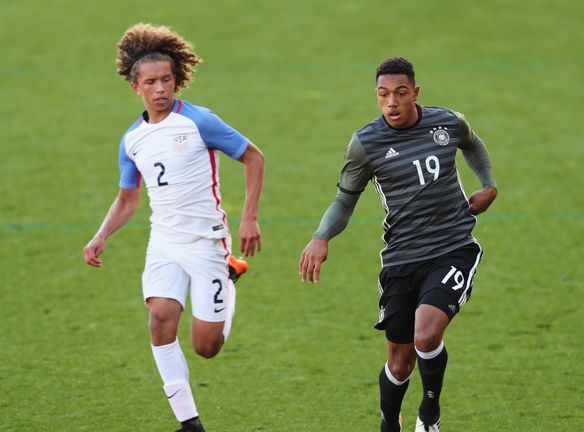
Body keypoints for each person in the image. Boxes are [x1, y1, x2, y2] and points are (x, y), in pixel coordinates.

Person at [82, 23, 265, 432]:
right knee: (160, 320)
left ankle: (229, 276)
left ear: (176, 78)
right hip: (164, 241)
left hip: (207, 243)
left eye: (167, 79)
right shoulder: (131, 140)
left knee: (206, 348)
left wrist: (249, 217)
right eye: (151, 82)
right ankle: (189, 423)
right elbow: (128, 199)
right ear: (136, 88)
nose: (160, 88)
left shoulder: (199, 121)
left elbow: (254, 157)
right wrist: (100, 235)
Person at [299, 56, 497, 432]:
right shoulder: (366, 144)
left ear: (415, 93)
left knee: (427, 333)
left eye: (400, 93)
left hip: (452, 247)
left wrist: (488, 184)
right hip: (401, 259)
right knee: (400, 361)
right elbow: (344, 200)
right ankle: (390, 422)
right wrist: (320, 236)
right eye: (383, 94)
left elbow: (473, 143)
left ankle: (430, 415)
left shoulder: (447, 122)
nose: (392, 102)